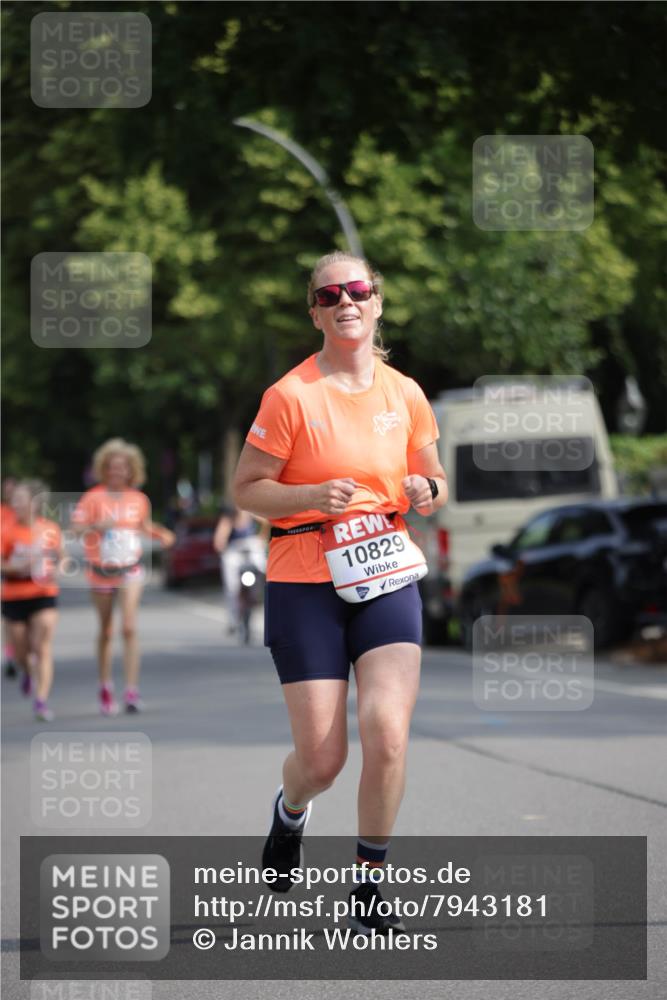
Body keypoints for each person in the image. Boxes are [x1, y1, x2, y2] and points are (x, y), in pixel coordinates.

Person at [233, 250, 447, 935]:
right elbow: (245, 490)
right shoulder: (290, 395)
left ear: (376, 302)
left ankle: (368, 881)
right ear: (315, 313)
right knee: (323, 760)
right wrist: (307, 495)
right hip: (305, 579)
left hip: (385, 570)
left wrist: (425, 489)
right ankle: (290, 809)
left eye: (356, 290)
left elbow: (436, 483)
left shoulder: (404, 393)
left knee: (387, 732)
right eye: (329, 295)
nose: (344, 301)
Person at [72, 439, 175, 715]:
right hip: (101, 571)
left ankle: (131, 690)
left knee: (128, 627)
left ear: (132, 470)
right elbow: (76, 529)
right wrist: (96, 526)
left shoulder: (138, 499)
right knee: (106, 630)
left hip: (130, 568)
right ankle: (105, 686)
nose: (117, 471)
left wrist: (161, 534)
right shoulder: (93, 497)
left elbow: (143, 526)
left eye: (122, 467)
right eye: (112, 466)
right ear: (103, 469)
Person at [0, 480, 62, 720]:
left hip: (44, 593)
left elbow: (62, 557)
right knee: (20, 652)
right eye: (14, 500)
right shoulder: (6, 530)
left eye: (20, 500)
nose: (15, 504)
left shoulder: (50, 529)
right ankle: (27, 671)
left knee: (42, 646)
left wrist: (59, 568)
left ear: (34, 503)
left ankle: (41, 701)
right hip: (14, 594)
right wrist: (16, 567)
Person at [213, 507, 268, 635]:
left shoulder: (253, 514)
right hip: (234, 552)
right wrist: (221, 545)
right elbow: (220, 538)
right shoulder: (228, 517)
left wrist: (262, 539)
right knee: (231, 586)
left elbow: (267, 523)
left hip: (251, 550)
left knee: (264, 569)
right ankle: (232, 619)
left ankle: (259, 595)